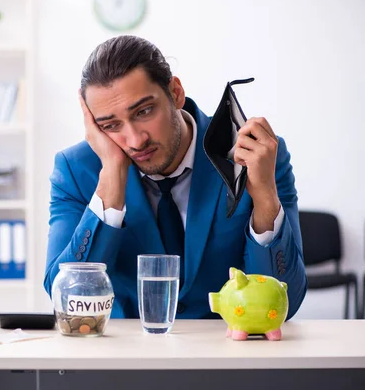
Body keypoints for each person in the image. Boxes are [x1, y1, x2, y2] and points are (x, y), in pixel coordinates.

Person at [43, 35, 307, 320]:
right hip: (125, 357)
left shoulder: (258, 156)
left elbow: (286, 302)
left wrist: (265, 199)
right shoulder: (76, 170)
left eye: (144, 111)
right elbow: (69, 302)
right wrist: (111, 179)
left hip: (228, 355)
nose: (135, 140)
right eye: (111, 125)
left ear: (175, 92)